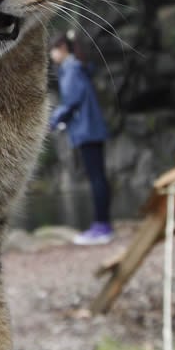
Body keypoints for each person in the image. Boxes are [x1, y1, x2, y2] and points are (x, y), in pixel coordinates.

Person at [49, 32, 114, 245]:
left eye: (53, 50)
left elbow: (71, 102)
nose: (51, 55)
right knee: (98, 177)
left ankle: (102, 227)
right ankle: (102, 224)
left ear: (62, 48)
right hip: (91, 129)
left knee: (96, 179)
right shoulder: (78, 67)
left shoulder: (71, 70)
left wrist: (51, 121)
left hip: (87, 131)